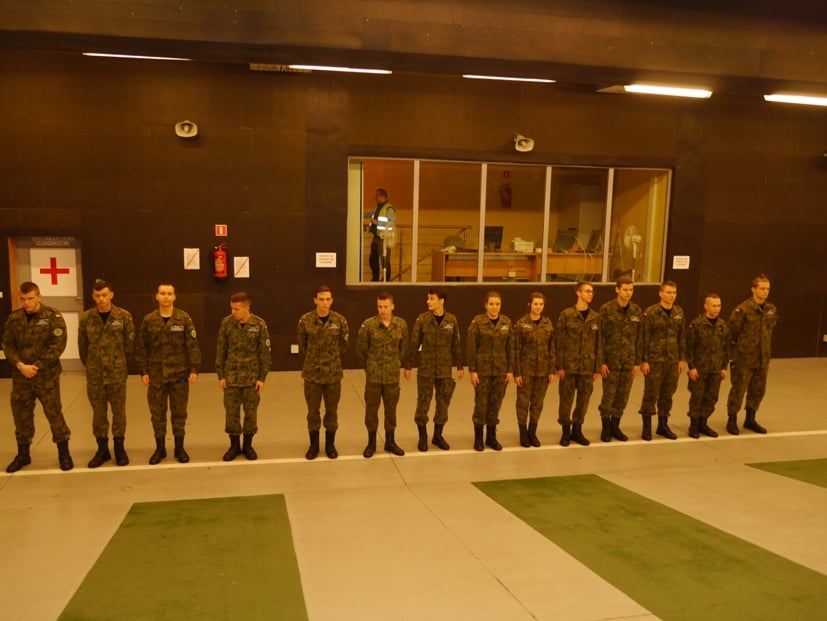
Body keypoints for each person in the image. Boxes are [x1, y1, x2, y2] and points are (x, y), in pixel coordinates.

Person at [2, 281, 74, 472]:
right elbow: (7, 345)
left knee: (54, 413)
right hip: (21, 377)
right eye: (23, 299)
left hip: (46, 376)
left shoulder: (52, 316)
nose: (27, 302)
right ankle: (23, 454)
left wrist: (36, 366)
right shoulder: (14, 318)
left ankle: (64, 453)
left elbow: (58, 344)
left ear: (39, 297)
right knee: (21, 415)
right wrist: (20, 366)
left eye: (30, 298)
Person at [134, 283, 201, 464]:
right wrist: (143, 371)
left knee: (179, 413)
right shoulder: (149, 320)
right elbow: (141, 347)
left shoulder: (183, 318)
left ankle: (179, 448)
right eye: (162, 293)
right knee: (157, 414)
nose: (165, 296)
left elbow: (192, 346)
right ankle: (160, 448)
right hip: (156, 375)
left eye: (169, 293)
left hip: (179, 375)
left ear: (174, 297)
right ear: (157, 296)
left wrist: (194, 369)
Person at [78, 280, 135, 467]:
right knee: (98, 414)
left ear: (111, 295)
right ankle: (102, 450)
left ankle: (119, 448)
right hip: (95, 375)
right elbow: (83, 348)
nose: (101, 299)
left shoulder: (123, 316)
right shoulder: (86, 318)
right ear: (93, 297)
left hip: (116, 374)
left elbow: (129, 345)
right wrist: (93, 365)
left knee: (119, 412)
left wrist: (118, 364)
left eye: (104, 295)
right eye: (97, 296)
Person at [404, 288, 464, 452]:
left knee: (443, 403)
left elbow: (456, 344)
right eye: (428, 298)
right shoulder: (422, 319)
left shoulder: (451, 320)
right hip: (426, 369)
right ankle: (422, 437)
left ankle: (438, 435)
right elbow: (414, 343)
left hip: (444, 369)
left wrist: (459, 365)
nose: (428, 301)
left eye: (431, 299)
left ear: (441, 301)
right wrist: (408, 365)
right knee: (423, 403)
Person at [215, 291, 271, 461]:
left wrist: (262, 378)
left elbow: (264, 353)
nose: (233, 312)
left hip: (251, 379)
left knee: (251, 413)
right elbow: (221, 350)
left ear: (247, 308)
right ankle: (234, 446)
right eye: (231, 308)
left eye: (236, 309)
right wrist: (221, 376)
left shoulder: (259, 324)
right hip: (231, 377)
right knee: (231, 414)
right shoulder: (226, 323)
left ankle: (247, 445)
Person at [297, 285, 349, 460]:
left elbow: (344, 345)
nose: (324, 303)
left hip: (333, 375)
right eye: (321, 299)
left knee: (331, 411)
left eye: (327, 299)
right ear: (315, 300)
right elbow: (303, 344)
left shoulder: (340, 321)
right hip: (312, 375)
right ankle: (313, 446)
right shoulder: (305, 320)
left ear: (332, 301)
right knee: (313, 412)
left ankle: (330, 445)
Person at [356, 292, 408, 457]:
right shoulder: (368, 325)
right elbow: (361, 350)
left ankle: (390, 442)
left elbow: (403, 349)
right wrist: (370, 368)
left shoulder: (401, 325)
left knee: (391, 410)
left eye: (385, 307)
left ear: (392, 306)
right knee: (371, 411)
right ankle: (371, 443)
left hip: (392, 377)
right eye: (379, 307)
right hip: (374, 377)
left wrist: (395, 364)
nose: (382, 310)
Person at [726, 274, 777, 435]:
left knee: (758, 390)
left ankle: (750, 418)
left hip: (762, 359)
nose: (765, 292)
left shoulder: (770, 309)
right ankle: (732, 419)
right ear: (753, 289)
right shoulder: (743, 310)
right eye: (762, 288)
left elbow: (769, 331)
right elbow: (732, 333)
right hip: (744, 358)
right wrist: (734, 355)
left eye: (768, 289)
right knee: (738, 390)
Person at [597, 275, 643, 442]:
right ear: (617, 289)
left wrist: (637, 362)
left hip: (628, 362)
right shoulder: (606, 309)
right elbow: (600, 337)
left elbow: (639, 338)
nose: (628, 293)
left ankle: (615, 426)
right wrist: (601, 361)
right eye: (625, 290)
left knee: (622, 397)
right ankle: (606, 428)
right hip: (611, 362)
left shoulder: (636, 311)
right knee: (608, 396)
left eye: (631, 290)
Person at [466, 291, 513, 451]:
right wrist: (473, 370)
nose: (494, 307)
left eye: (497, 304)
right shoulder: (478, 322)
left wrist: (510, 370)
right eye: (491, 304)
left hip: (500, 370)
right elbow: (471, 347)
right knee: (481, 405)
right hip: (483, 371)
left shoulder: (506, 322)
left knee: (495, 404)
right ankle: (478, 438)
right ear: (485, 305)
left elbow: (510, 347)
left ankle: (491, 437)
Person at [639, 281, 686, 441]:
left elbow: (681, 337)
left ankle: (663, 425)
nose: (672, 296)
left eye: (674, 293)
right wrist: (644, 361)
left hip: (672, 361)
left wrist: (681, 359)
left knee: (668, 394)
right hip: (655, 361)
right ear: (660, 293)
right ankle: (646, 428)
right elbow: (644, 338)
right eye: (668, 292)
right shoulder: (651, 313)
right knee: (650, 394)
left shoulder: (679, 312)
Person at [555, 281, 600, 446]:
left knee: (583, 401)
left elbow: (599, 343)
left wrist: (596, 368)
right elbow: (559, 342)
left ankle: (577, 430)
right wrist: (559, 366)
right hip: (569, 367)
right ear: (578, 293)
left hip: (587, 367)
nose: (590, 294)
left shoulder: (595, 317)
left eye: (592, 292)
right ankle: (566, 431)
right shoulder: (566, 315)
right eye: (587, 291)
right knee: (566, 401)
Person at [513, 291, 555, 448]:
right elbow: (516, 350)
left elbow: (552, 348)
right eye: (535, 304)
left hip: (543, 371)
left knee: (538, 403)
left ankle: (532, 431)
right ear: (529, 305)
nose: (538, 307)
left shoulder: (548, 323)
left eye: (541, 304)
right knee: (523, 403)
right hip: (526, 371)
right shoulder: (521, 324)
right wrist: (517, 372)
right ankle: (523, 432)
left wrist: (551, 370)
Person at [686, 293, 729, 438]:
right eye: (713, 305)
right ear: (706, 306)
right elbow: (689, 348)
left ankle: (703, 423)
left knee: (711, 397)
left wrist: (724, 367)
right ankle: (693, 425)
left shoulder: (722, 325)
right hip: (700, 369)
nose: (717, 309)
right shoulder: (696, 325)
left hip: (716, 369)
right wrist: (691, 367)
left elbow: (725, 348)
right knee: (697, 397)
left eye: (719, 306)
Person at [364, 188, 396, 282]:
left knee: (384, 260)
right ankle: (375, 278)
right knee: (373, 260)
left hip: (384, 238)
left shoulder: (389, 209)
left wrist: (377, 223)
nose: (375, 198)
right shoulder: (378, 208)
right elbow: (370, 214)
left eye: (376, 196)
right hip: (376, 237)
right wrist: (358, 213)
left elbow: (391, 223)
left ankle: (385, 280)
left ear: (382, 196)